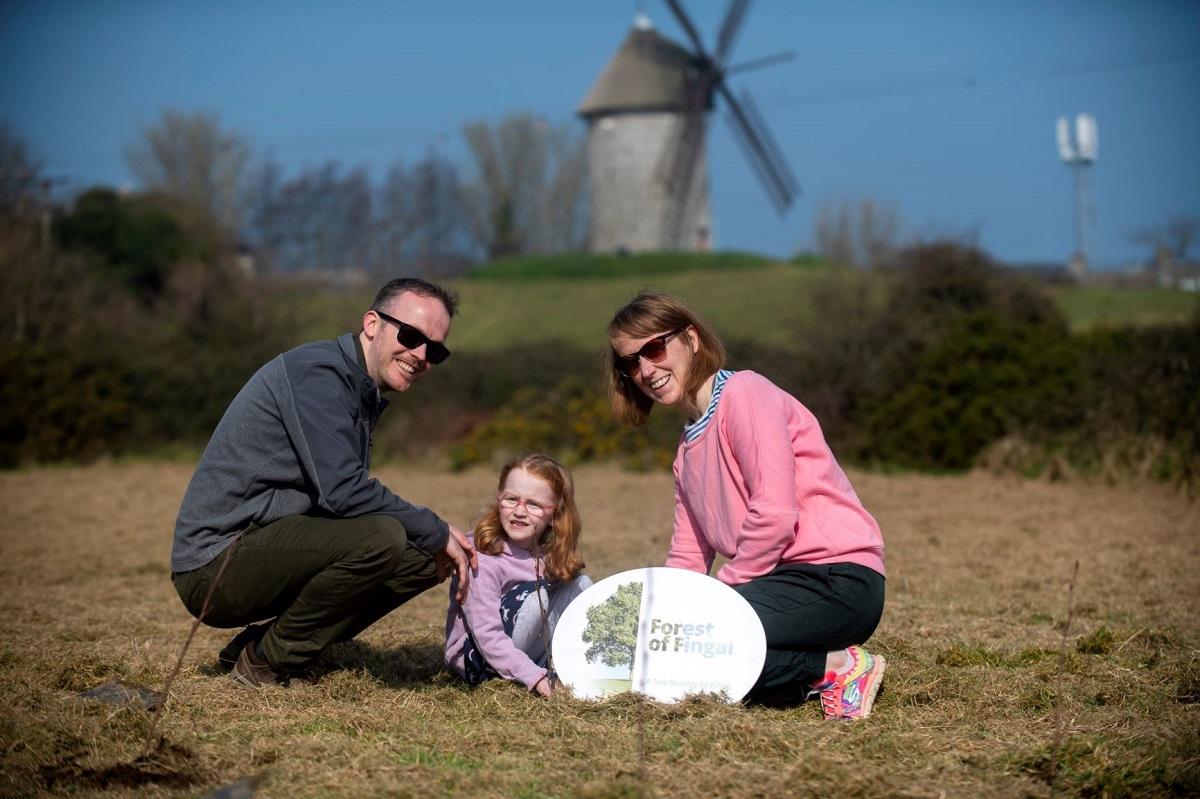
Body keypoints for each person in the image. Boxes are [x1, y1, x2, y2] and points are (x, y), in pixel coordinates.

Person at [171, 277, 476, 689]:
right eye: (410, 336)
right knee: (384, 536)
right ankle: (267, 662)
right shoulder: (317, 375)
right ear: (372, 324)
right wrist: (434, 527)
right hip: (213, 564)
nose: (420, 355)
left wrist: (433, 538)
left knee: (426, 556)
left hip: (266, 543)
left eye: (435, 350)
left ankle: (263, 644)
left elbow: (336, 497)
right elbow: (343, 492)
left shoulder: (357, 386)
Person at [605, 291, 887, 719]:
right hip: (779, 586)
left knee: (699, 641)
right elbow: (687, 555)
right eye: (630, 361)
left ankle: (842, 668)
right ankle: (816, 670)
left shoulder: (745, 393)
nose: (646, 369)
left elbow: (775, 515)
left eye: (654, 348)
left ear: (692, 339)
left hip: (835, 579)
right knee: (675, 655)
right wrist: (660, 620)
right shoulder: (686, 454)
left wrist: (721, 597)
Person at [444, 453, 592, 697]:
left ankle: (578, 664)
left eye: (533, 504)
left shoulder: (547, 553)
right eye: (511, 499)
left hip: (527, 651)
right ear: (499, 498)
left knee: (581, 585)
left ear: (555, 515)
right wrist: (534, 677)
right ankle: (538, 671)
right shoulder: (482, 558)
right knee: (537, 599)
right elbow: (487, 635)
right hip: (479, 660)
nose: (519, 511)